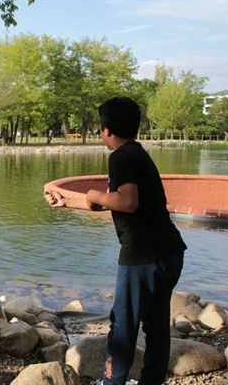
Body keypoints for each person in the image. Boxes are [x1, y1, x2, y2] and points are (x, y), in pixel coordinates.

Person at [44, 96, 186, 385]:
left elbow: (127, 201)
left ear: (106, 129)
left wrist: (95, 195)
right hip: (168, 251)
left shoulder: (119, 156)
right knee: (157, 324)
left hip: (141, 255)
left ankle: (112, 381)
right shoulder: (137, 154)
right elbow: (110, 202)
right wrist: (68, 201)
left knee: (123, 325)